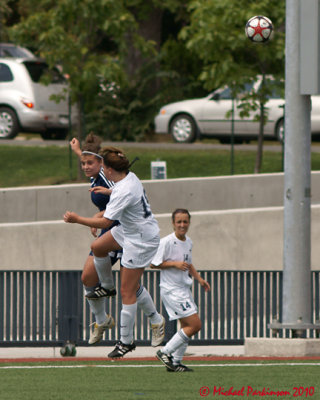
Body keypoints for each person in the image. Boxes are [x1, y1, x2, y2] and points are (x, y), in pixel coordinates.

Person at [64, 146, 165, 357]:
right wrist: (108, 191)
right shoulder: (129, 178)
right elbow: (121, 194)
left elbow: (106, 221)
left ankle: (126, 342)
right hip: (129, 230)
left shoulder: (123, 189)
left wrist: (77, 219)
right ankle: (107, 287)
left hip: (141, 240)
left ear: (109, 170)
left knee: (128, 291)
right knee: (97, 247)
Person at [69, 133, 118, 345]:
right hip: (106, 228)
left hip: (121, 230)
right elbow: (90, 161)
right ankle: (102, 320)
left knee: (130, 287)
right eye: (82, 163)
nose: (86, 166)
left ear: (101, 162)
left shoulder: (107, 179)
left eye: (89, 163)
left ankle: (155, 320)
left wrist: (96, 217)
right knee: (87, 279)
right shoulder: (95, 175)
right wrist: (78, 151)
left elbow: (125, 196)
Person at [151, 208, 210, 372]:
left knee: (186, 326)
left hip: (184, 289)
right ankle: (164, 352)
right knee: (195, 324)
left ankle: (176, 363)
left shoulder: (188, 242)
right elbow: (153, 263)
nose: (182, 225)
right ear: (173, 223)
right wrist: (173, 264)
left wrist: (199, 279)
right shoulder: (166, 242)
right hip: (172, 290)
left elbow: (188, 263)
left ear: (189, 223)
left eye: (185, 221)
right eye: (179, 222)